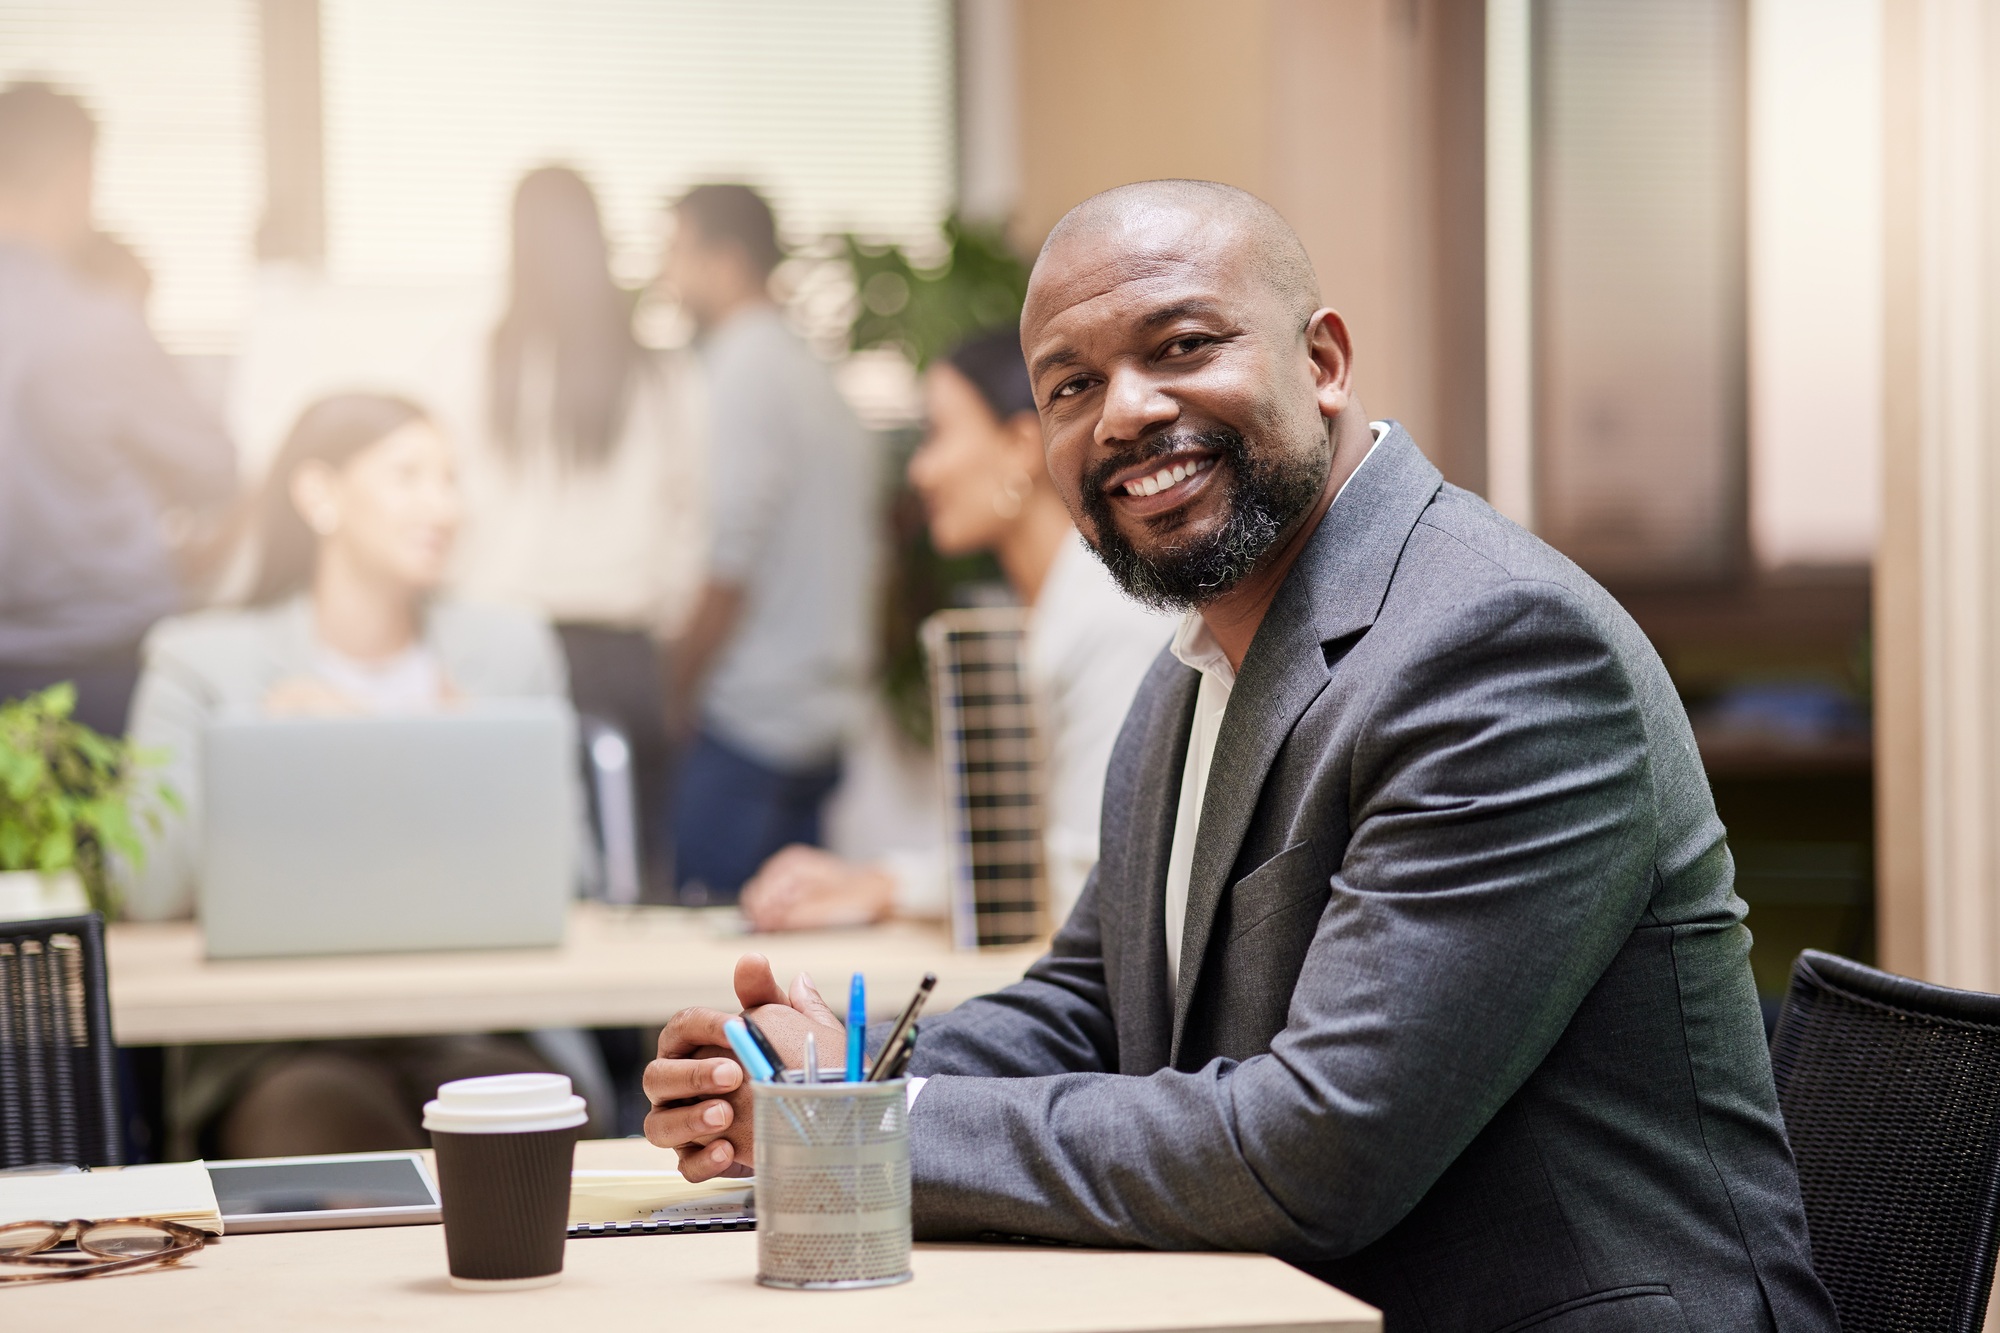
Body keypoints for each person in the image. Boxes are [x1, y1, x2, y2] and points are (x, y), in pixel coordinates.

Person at [641, 182, 1840, 1331]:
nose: (1122, 413)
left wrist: (877, 1122)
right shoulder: (1195, 664)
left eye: (1178, 346)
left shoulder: (1496, 648)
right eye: (1070, 385)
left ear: (1320, 361)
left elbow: (1320, 1148)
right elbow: (1092, 1007)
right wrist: (824, 1073)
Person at [123, 393, 572, 1157]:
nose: (444, 504)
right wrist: (264, 755)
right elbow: (146, 889)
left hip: (467, 1025)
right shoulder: (201, 663)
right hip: (277, 1042)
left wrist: (461, 763)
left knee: (531, 1152)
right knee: (329, 1137)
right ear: (319, 494)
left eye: (451, 479)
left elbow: (573, 879)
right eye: (409, 475)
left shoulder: (507, 652)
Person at [740, 328, 1172, 931]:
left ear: (1021, 445)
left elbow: (1090, 875)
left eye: (937, 435)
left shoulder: (1111, 616)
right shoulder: (1050, 610)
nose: (920, 471)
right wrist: (869, 880)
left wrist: (885, 888)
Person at [453, 165, 706, 899]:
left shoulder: (473, 362)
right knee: (627, 882)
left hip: (495, 652)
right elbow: (689, 531)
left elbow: (446, 513)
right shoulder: (664, 375)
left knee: (501, 878)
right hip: (620, 660)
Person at [658, 184, 878, 904]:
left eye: (675, 253)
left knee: (714, 974)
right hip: (818, 720)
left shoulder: (741, 370)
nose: (665, 277)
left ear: (723, 262)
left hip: (747, 727)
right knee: (786, 976)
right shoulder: (812, 372)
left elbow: (727, 559)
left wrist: (675, 690)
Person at [0, 81, 234, 735]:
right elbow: (216, 470)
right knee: (109, 839)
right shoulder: (98, 325)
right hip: (98, 666)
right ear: (79, 176)